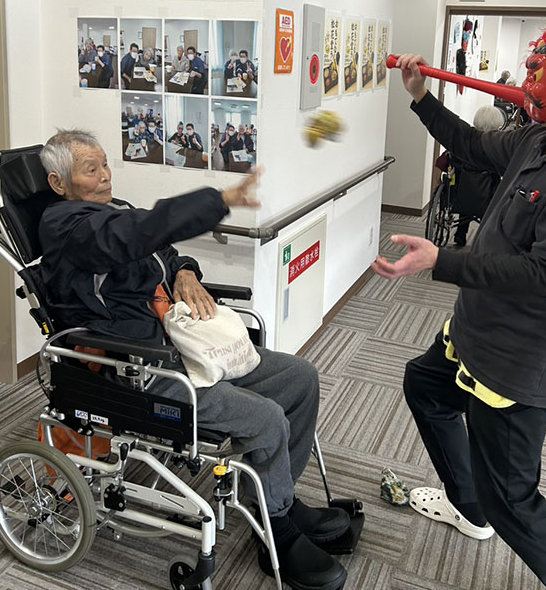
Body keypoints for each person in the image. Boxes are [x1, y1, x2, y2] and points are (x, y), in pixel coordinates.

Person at [374, 10, 546, 590]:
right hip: (476, 331)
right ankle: (469, 507)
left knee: (513, 502)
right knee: (426, 386)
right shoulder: (539, 136)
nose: (535, 73)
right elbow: (471, 144)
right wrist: (421, 97)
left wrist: (442, 260)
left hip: (517, 360)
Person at [38, 130, 349, 590]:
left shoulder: (112, 208)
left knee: (299, 378)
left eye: (105, 164)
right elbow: (137, 233)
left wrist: (184, 271)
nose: (105, 176)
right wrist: (217, 200)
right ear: (58, 183)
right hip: (139, 368)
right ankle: (278, 531)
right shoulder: (68, 228)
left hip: (179, 344)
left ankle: (273, 501)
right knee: (266, 419)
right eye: (91, 169)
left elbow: (160, 249)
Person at [435, 105, 503, 248]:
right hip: (486, 202)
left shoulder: (462, 143)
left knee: (465, 187)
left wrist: (439, 185)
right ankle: (485, 238)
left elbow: (441, 163)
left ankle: (460, 234)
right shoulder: (498, 149)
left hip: (460, 197)